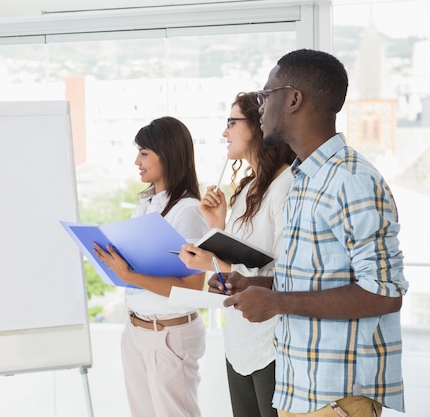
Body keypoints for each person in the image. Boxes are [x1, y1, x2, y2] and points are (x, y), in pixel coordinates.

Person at [216, 49, 408, 417]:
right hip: (299, 392)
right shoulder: (306, 179)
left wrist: (277, 303)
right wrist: (257, 287)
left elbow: (386, 294)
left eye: (265, 95)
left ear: (293, 99)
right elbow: (317, 281)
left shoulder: (351, 180)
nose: (259, 107)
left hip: (334, 400)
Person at [179, 91, 295, 417]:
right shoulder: (245, 189)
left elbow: (289, 274)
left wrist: (214, 262)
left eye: (231, 122)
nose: (224, 132)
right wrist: (218, 225)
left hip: (271, 343)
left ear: (259, 126)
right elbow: (246, 258)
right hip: (239, 340)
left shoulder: (285, 186)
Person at [92, 116, 209, 417]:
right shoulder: (146, 204)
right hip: (137, 329)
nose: (136, 161)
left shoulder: (188, 212)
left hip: (167, 335)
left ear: (167, 155)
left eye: (144, 153)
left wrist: (130, 274)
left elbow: (193, 287)